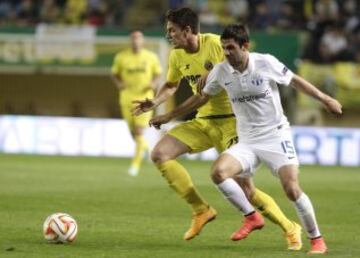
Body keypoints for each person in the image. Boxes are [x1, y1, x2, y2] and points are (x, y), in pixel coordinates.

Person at [132, 7, 302, 250]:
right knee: (160, 154)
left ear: (187, 30)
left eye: (172, 30)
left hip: (232, 123)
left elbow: (242, 62)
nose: (168, 35)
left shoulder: (215, 44)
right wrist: (155, 102)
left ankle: (290, 227)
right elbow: (170, 85)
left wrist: (213, 71)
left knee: (247, 190)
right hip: (203, 121)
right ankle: (201, 209)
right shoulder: (176, 55)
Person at [200, 24, 342, 254]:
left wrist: (326, 99)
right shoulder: (221, 70)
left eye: (231, 48)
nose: (226, 53)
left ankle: (317, 240)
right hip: (246, 141)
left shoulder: (266, 62)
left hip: (275, 135)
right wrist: (167, 114)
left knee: (292, 189)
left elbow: (295, 81)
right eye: (223, 48)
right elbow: (202, 96)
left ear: (245, 46)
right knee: (218, 173)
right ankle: (251, 216)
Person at [111, 30, 162, 176]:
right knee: (133, 134)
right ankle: (146, 149)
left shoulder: (151, 57)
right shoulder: (121, 57)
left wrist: (153, 83)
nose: (135, 41)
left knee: (139, 131)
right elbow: (114, 73)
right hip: (126, 98)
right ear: (130, 41)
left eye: (138, 38)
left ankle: (135, 166)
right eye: (133, 38)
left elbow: (158, 74)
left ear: (142, 41)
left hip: (144, 99)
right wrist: (119, 83)